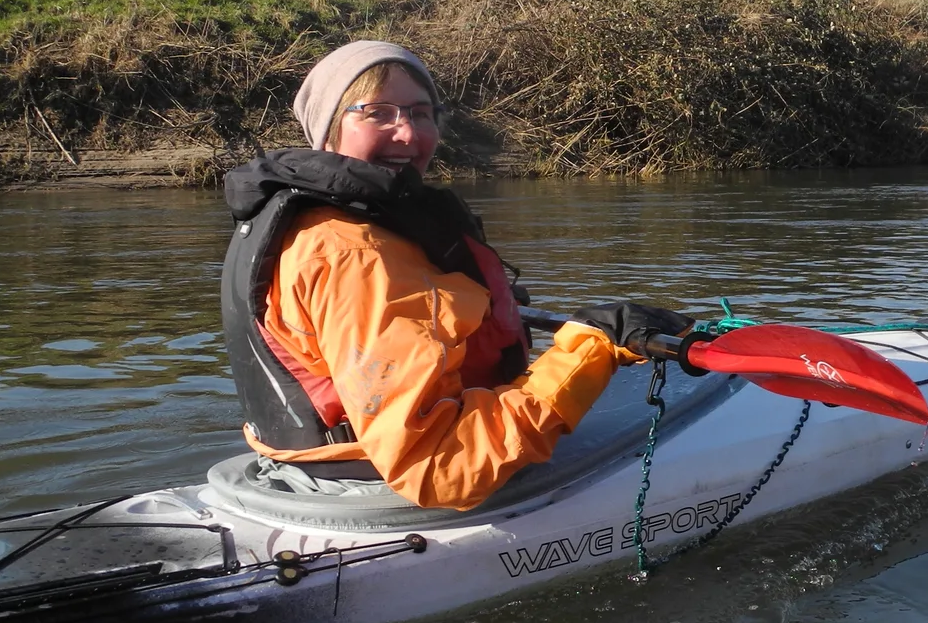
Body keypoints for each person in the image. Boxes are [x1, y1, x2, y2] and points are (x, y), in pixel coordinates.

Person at [219, 40, 690, 509]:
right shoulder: (357, 251)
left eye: (421, 113)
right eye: (377, 113)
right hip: (386, 485)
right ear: (327, 129)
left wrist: (480, 309)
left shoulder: (325, 222)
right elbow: (441, 468)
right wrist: (592, 348)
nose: (408, 134)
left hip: (315, 466)